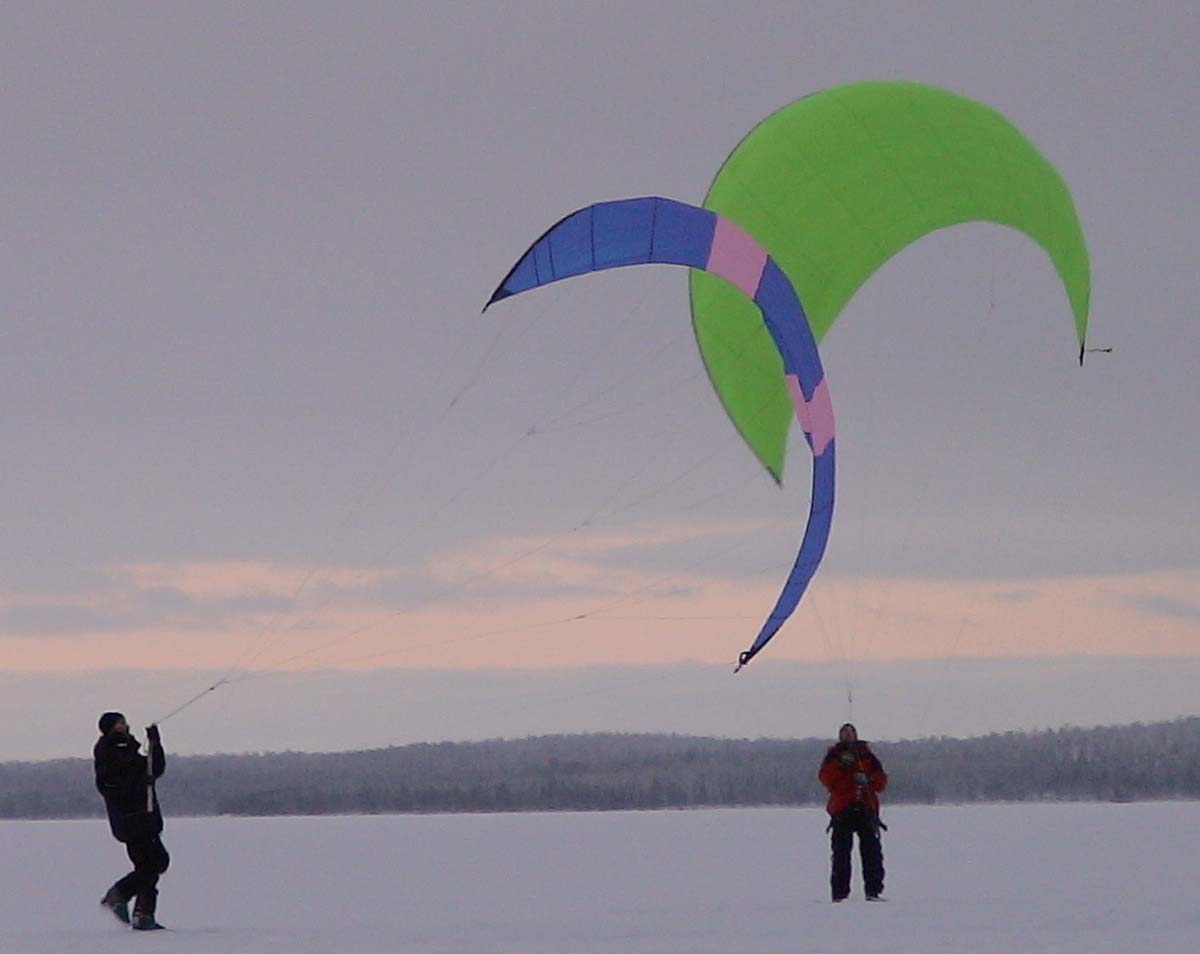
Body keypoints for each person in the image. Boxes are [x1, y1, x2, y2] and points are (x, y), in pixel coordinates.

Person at [94, 712, 169, 931]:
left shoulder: (129, 751)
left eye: (124, 722)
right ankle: (122, 897)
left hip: (145, 817)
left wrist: (155, 743)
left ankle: (142, 914)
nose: (124, 725)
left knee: (154, 863)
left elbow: (155, 769)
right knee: (152, 864)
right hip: (131, 820)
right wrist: (139, 782)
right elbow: (112, 785)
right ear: (109, 728)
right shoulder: (108, 752)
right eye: (119, 723)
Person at [818, 722, 887, 902]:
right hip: (842, 810)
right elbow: (825, 779)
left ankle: (873, 892)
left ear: (856, 735)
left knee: (872, 853)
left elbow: (881, 782)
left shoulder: (867, 755)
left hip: (866, 809)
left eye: (851, 732)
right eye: (845, 733)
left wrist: (868, 780)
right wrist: (840, 764)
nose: (848, 735)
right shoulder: (834, 755)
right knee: (841, 854)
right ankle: (840, 895)